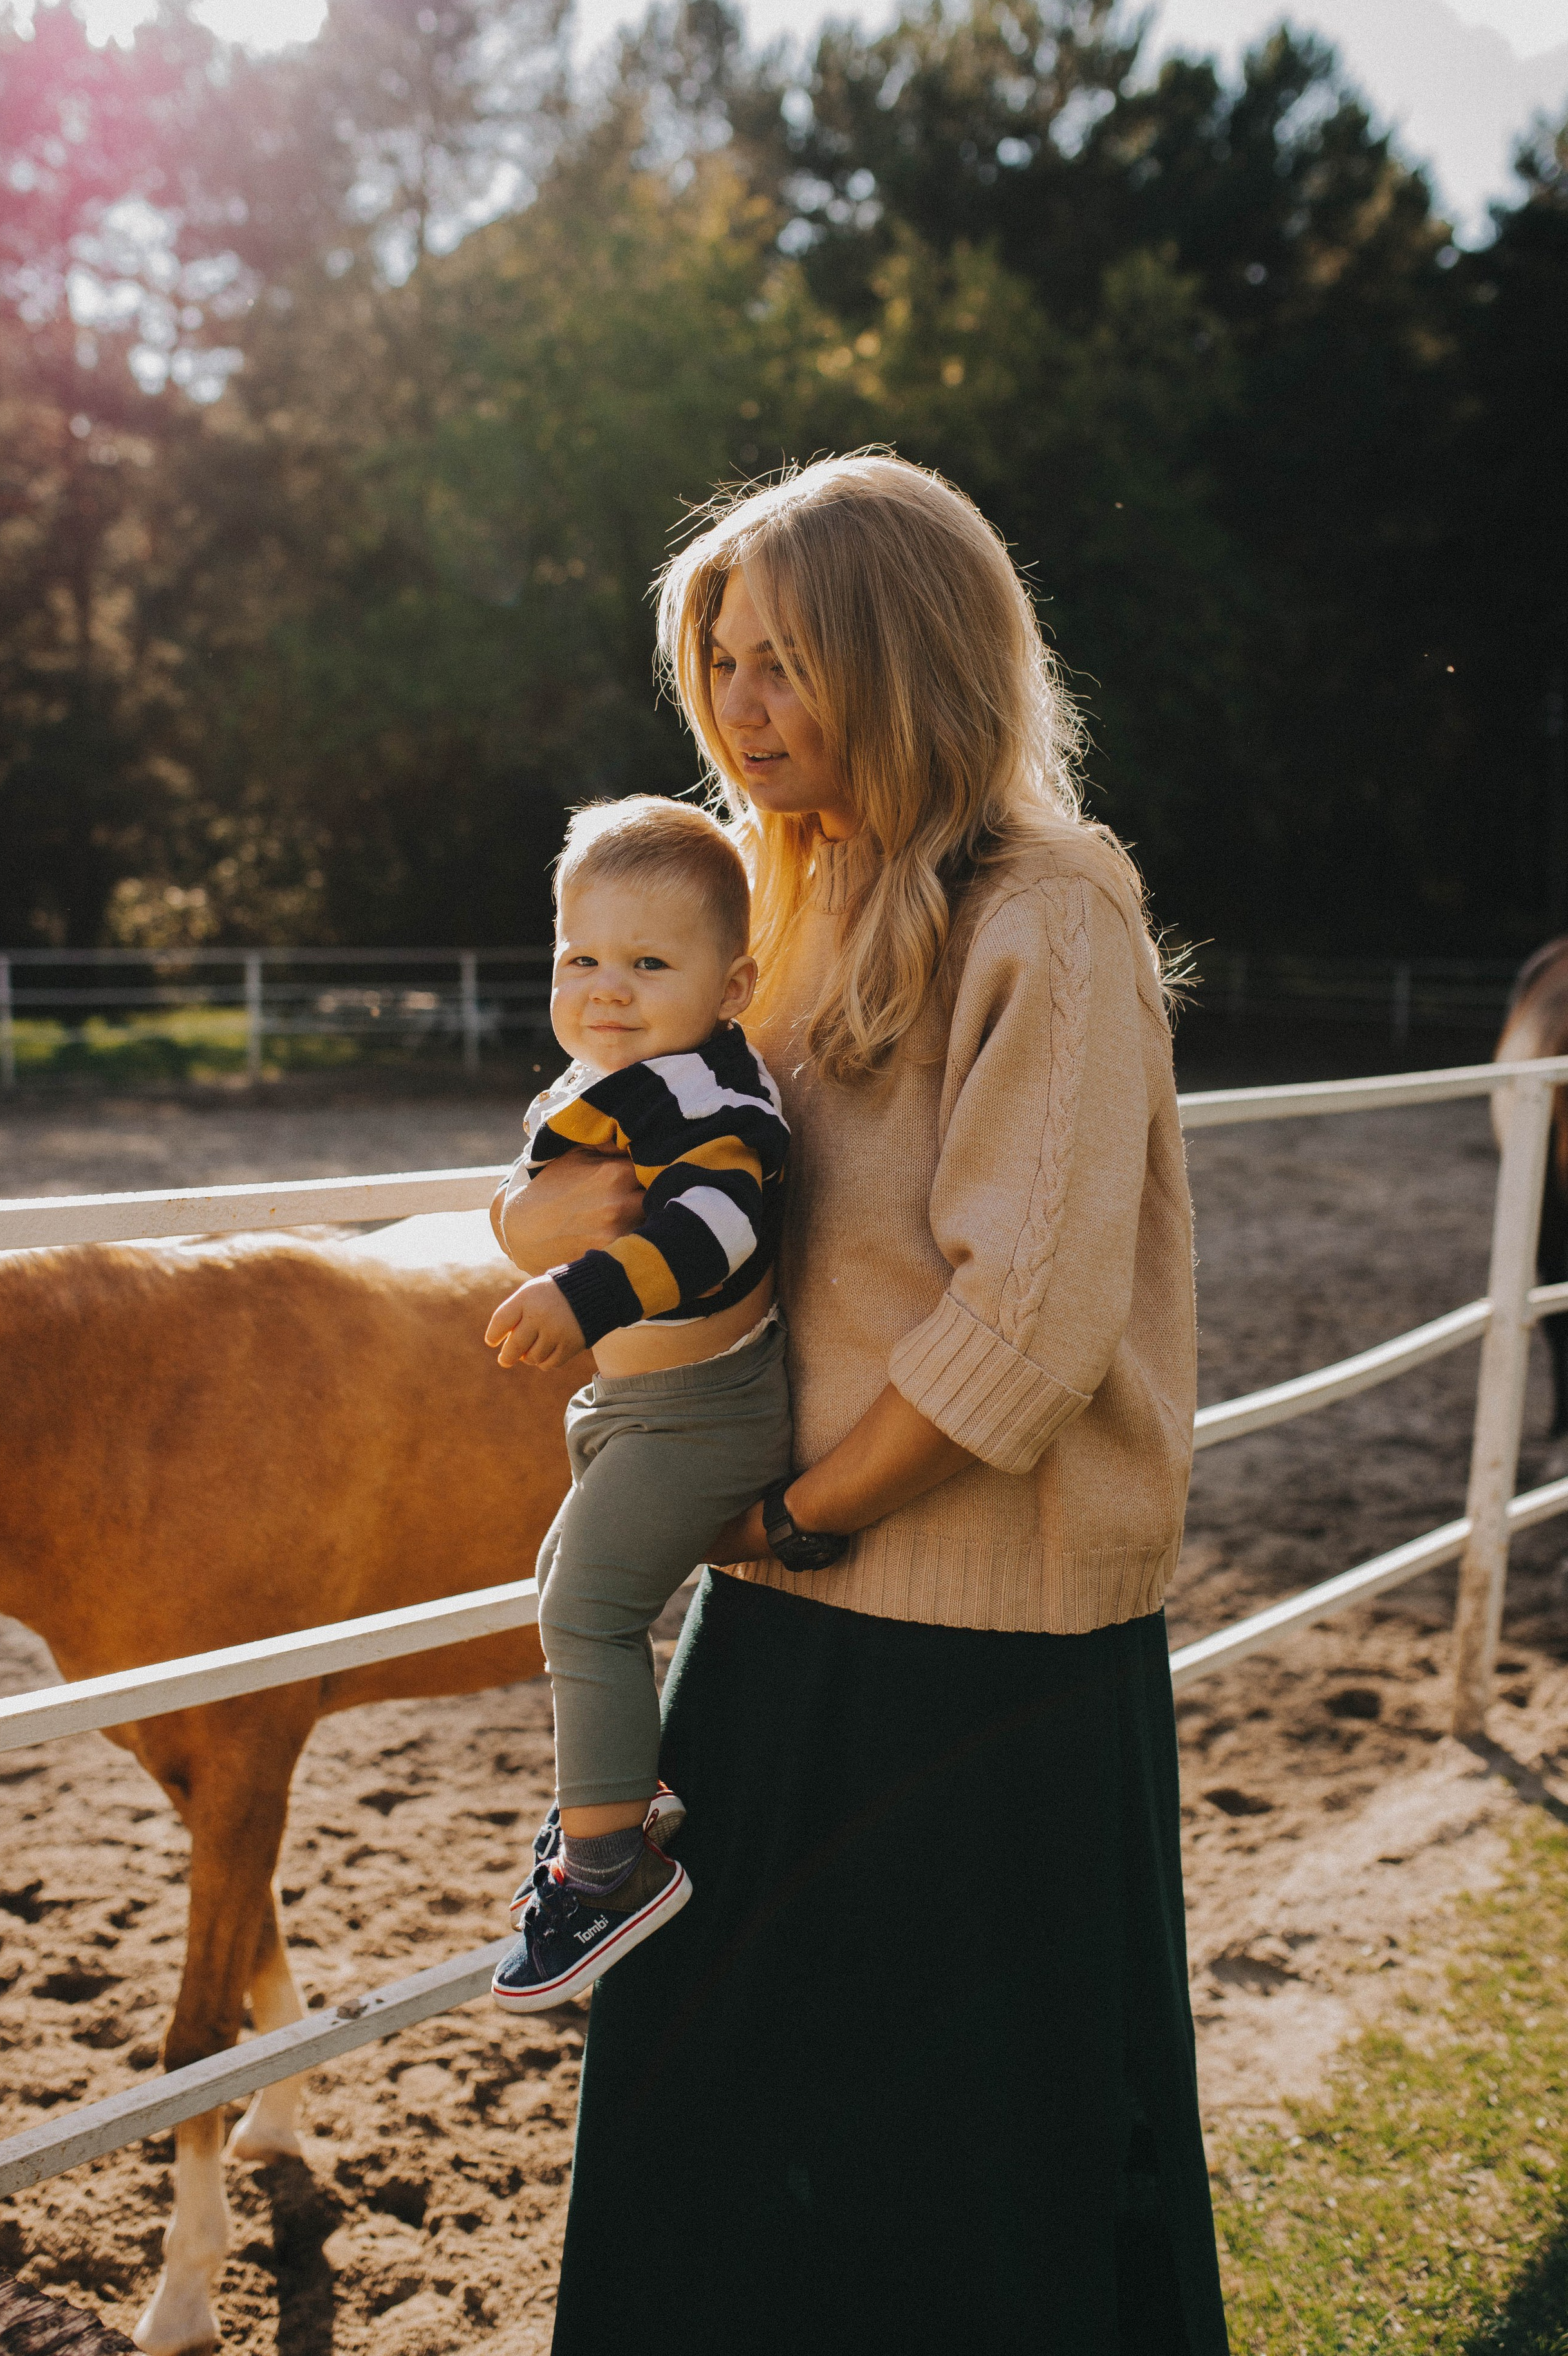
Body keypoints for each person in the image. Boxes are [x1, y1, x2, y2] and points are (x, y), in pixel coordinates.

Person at [494, 454, 1230, 2354]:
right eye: (722, 664)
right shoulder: (786, 911)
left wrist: (805, 1506)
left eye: (787, 660)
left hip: (980, 1638)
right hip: (793, 1592)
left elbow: (1024, 1326)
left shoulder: (1047, 913)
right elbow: (677, 1169)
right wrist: (561, 1215)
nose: (742, 708)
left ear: (911, 656)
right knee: (713, 2100)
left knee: (962, 2161)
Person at [486, 795, 809, 2013]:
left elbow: (712, 1234)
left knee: (589, 1606)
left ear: (733, 986)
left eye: (648, 963)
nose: (606, 989)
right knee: (566, 1587)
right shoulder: (629, 1076)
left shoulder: (719, 1101)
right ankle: (623, 1788)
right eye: (582, 958)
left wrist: (581, 1293)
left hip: (706, 1415)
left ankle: (610, 1867)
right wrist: (520, 1219)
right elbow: (539, 1175)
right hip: (638, 1411)